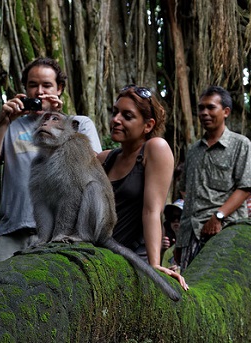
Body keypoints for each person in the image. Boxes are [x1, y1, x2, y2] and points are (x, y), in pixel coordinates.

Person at [0, 57, 102, 263]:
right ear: (24, 89)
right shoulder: (11, 126)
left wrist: (57, 120)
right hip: (13, 230)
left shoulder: (79, 124)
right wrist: (2, 122)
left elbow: (91, 168)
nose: (40, 91)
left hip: (62, 232)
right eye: (33, 85)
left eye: (47, 85)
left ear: (59, 88)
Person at [97, 84, 188, 290]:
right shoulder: (104, 159)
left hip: (134, 257)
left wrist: (154, 264)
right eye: (115, 112)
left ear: (148, 125)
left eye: (127, 116)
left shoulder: (155, 149)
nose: (116, 120)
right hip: (100, 254)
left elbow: (152, 210)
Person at [175, 86, 251, 271]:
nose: (204, 113)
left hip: (225, 230)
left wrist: (218, 216)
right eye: (201, 108)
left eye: (211, 107)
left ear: (226, 111)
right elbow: (184, 190)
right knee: (189, 287)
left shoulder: (240, 144)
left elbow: (245, 187)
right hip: (191, 234)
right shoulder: (194, 150)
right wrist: (181, 239)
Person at [161, 199, 184, 270]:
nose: (176, 220)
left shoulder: (195, 248)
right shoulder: (168, 253)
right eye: (172, 217)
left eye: (180, 217)